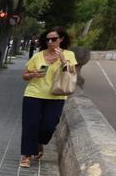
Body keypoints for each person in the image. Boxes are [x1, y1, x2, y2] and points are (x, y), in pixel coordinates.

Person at [19, 27, 77, 168]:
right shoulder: (38, 56)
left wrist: (63, 60)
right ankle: (26, 155)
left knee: (48, 126)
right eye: (48, 39)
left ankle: (39, 143)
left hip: (56, 96)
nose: (50, 42)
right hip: (34, 94)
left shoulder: (68, 54)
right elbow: (24, 75)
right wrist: (33, 75)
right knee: (30, 125)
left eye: (54, 39)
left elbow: (72, 72)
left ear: (61, 39)